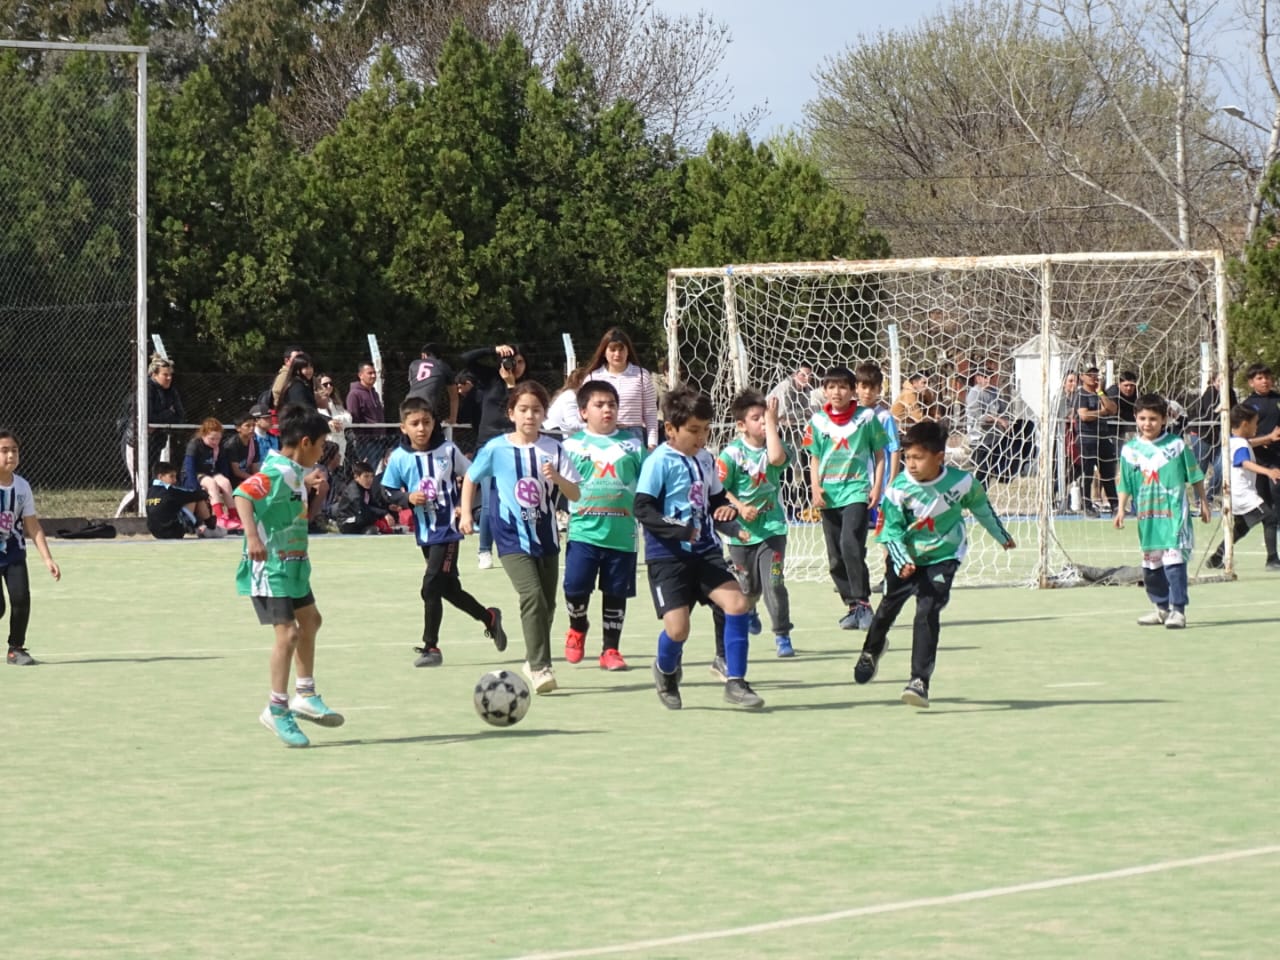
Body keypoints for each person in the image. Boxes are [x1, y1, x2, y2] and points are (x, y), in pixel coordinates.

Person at [851, 420, 1015, 707]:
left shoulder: (962, 482)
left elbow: (981, 508)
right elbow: (890, 531)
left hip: (944, 555)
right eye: (907, 458)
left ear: (939, 457)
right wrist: (901, 560)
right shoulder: (898, 489)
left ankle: (919, 681)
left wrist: (1000, 535)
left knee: (927, 610)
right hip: (907, 557)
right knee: (888, 608)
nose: (911, 464)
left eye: (918, 457)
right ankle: (871, 651)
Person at [635, 385, 763, 711]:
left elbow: (716, 499)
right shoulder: (658, 461)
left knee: (737, 604)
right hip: (668, 558)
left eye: (706, 430)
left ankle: (736, 681)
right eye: (693, 430)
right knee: (678, 630)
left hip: (706, 551)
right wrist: (680, 530)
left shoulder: (706, 459)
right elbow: (643, 508)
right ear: (670, 429)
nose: (701, 437)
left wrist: (726, 512)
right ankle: (664, 670)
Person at [460, 381, 582, 694]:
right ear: (511, 412)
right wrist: (466, 513)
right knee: (532, 597)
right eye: (523, 409)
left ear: (545, 414)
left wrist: (556, 478)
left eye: (537, 410)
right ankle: (541, 667)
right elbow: (471, 479)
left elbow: (575, 491)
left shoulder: (554, 449)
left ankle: (532, 658)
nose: (530, 415)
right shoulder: (496, 448)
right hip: (511, 536)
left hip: (547, 536)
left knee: (548, 606)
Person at [234, 405, 341, 748]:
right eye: (322, 445)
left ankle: (305, 694)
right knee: (289, 635)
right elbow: (243, 495)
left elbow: (294, 500)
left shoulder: (293, 471)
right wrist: (252, 537)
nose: (323, 452)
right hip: (272, 568)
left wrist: (311, 485)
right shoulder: (277, 472)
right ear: (306, 442)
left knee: (311, 621)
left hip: (294, 564)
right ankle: (277, 709)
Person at [381, 396, 508, 667]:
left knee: (430, 586)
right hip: (425, 533)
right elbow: (386, 490)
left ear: (434, 423)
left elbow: (473, 476)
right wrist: (406, 499)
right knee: (448, 589)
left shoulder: (448, 451)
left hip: (448, 530)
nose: (421, 428)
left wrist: (464, 506)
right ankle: (489, 617)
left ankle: (432, 647)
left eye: (426, 422)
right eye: (414, 423)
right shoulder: (400, 458)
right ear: (403, 427)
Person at [559, 379, 647, 671]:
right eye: (599, 405)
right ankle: (577, 626)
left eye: (612, 404)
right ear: (584, 412)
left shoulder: (633, 445)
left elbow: (649, 483)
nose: (607, 409)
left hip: (622, 535)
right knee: (574, 587)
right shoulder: (571, 446)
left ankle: (611, 649)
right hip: (583, 532)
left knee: (616, 593)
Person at [1113, 394, 1210, 629]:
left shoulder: (1176, 446)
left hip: (1174, 516)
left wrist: (1203, 502)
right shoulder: (1130, 450)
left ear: (1164, 419)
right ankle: (1161, 608)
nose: (1148, 423)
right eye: (1143, 418)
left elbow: (1195, 476)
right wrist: (1121, 509)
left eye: (1153, 419)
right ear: (1136, 418)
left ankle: (1179, 610)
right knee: (1151, 567)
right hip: (1147, 518)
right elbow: (1125, 482)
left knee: (1174, 563)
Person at [805, 365, 889, 632]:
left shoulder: (866, 418)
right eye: (831, 387)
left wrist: (877, 487)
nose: (836, 392)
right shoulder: (818, 421)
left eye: (842, 387)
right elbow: (814, 457)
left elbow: (879, 454)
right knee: (835, 556)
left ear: (853, 391)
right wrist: (815, 488)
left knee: (851, 544)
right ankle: (852, 606)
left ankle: (864, 602)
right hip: (829, 495)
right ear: (824, 391)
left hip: (856, 491)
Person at [717, 390, 795, 658]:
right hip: (741, 534)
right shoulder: (731, 455)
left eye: (766, 418)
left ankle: (782, 634)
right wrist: (739, 507)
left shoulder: (776, 446)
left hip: (772, 530)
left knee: (774, 582)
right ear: (741, 425)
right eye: (756, 418)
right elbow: (719, 491)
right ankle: (749, 609)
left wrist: (772, 424)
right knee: (748, 587)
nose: (763, 422)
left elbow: (776, 459)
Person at [459, 343, 526, 569]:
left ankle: (517, 545)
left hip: (514, 447)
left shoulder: (524, 389)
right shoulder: (489, 378)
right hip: (488, 446)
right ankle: (484, 550)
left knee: (518, 498)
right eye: (510, 362)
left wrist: (511, 385)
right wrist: (492, 350)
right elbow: (465, 358)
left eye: (519, 363)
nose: (513, 366)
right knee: (489, 501)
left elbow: (519, 415)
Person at [0, 430, 61, 666]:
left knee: (21, 598)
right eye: (4, 451)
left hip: (14, 553)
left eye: (14, 450)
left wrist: (48, 559)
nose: (10, 455)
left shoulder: (22, 487)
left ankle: (15, 649)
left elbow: (32, 525)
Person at [1206, 405, 1280, 571]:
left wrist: (1268, 438)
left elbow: (1250, 442)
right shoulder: (1240, 445)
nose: (1257, 427)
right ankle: (1273, 560)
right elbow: (1244, 462)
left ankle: (1216, 557)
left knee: (1241, 528)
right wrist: (1268, 471)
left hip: (1234, 494)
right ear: (1245, 424)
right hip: (1243, 494)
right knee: (1270, 518)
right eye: (1255, 423)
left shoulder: (1234, 440)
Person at [582, 327, 660, 449]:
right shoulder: (593, 377)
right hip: (601, 435)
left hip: (633, 435)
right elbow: (583, 411)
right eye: (612, 350)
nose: (617, 354)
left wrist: (652, 444)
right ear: (604, 351)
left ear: (628, 351)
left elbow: (650, 413)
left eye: (621, 349)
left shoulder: (641, 375)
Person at [182, 418, 241, 531]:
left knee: (225, 482)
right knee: (211, 483)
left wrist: (223, 479)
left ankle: (233, 516)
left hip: (211, 472)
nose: (215, 442)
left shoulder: (219, 447)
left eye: (218, 438)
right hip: (195, 474)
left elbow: (223, 466)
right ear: (203, 435)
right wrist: (195, 487)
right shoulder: (194, 444)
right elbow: (189, 467)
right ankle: (220, 517)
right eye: (212, 439)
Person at [1076, 366, 1120, 516]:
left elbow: (1112, 409)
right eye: (1089, 374)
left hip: (1103, 437)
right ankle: (1087, 505)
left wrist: (1101, 392)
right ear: (1082, 376)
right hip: (1087, 439)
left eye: (1095, 374)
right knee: (1087, 474)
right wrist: (1101, 412)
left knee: (1108, 473)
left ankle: (1115, 504)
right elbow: (1084, 416)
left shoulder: (1101, 392)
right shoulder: (1080, 394)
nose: (1093, 377)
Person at [146, 461, 227, 540]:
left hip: (156, 533)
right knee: (196, 498)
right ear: (160, 477)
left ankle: (202, 526)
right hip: (173, 532)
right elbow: (193, 493)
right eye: (171, 476)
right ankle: (211, 527)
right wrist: (205, 494)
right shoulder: (170, 491)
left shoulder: (150, 491)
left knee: (188, 499)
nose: (175, 480)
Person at [1242, 362, 1280, 514]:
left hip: (1277, 456)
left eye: (1267, 377)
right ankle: (1269, 529)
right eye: (1260, 378)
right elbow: (1242, 439)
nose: (1265, 381)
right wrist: (1266, 438)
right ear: (1251, 382)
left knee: (1276, 487)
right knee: (1263, 499)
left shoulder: (1277, 399)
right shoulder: (1247, 406)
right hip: (1257, 457)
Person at [856, 362, 902, 483]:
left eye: (872, 388)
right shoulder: (852, 415)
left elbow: (895, 450)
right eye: (864, 387)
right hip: (856, 483)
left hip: (879, 483)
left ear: (879, 390)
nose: (867, 392)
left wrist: (892, 480)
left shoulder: (884, 417)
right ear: (856, 387)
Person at [965, 368, 1010, 487]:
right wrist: (998, 420)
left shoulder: (995, 392)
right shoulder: (974, 394)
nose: (987, 379)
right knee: (982, 471)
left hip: (994, 437)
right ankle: (977, 497)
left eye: (990, 376)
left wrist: (1006, 420)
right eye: (984, 376)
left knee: (992, 470)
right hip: (979, 439)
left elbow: (1003, 410)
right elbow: (978, 417)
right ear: (978, 378)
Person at [346, 361, 390, 472]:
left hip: (379, 440)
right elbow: (354, 418)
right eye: (370, 373)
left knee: (372, 472)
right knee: (365, 472)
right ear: (360, 375)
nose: (373, 375)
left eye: (374, 373)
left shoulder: (374, 393)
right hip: (365, 442)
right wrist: (361, 438)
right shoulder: (354, 394)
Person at [333, 460, 394, 535]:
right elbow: (362, 508)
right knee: (366, 517)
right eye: (366, 476)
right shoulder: (354, 490)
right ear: (356, 477)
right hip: (347, 521)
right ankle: (375, 529)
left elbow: (374, 505)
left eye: (372, 476)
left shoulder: (366, 489)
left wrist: (388, 508)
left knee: (371, 520)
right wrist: (384, 513)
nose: (369, 480)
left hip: (360, 517)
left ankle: (376, 529)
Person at [406, 343, 458, 425]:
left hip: (408, 404)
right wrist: (453, 419)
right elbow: (454, 397)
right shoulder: (444, 366)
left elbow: (412, 385)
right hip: (428, 405)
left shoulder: (414, 364)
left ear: (423, 355)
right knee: (433, 434)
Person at [314, 373, 353, 461]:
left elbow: (349, 418)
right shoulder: (315, 404)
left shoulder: (336, 403)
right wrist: (333, 423)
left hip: (340, 442)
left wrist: (336, 421)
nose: (329, 386)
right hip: (326, 443)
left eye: (331, 384)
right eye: (325, 384)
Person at [220, 413, 260, 486]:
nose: (252, 428)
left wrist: (258, 479)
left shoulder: (254, 443)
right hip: (232, 480)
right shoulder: (231, 445)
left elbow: (255, 468)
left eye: (253, 425)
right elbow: (236, 471)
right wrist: (253, 479)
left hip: (247, 477)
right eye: (248, 426)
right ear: (238, 428)